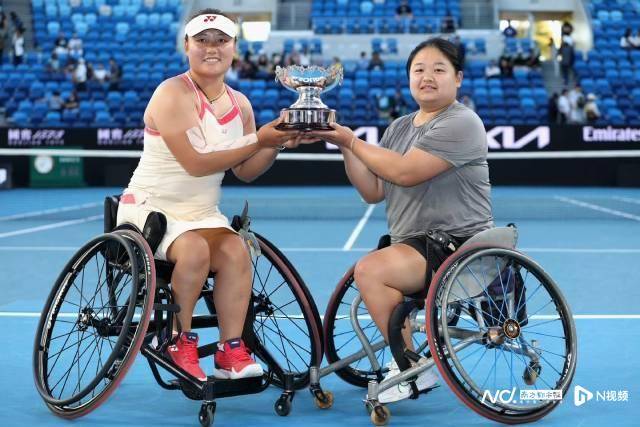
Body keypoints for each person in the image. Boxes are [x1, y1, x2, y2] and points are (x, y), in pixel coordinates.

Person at [116, 9, 301, 382]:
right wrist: (259, 139)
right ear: (186, 46)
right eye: (202, 40)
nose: (211, 48)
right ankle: (178, 341)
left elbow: (245, 170)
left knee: (236, 250)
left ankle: (230, 350)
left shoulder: (240, 104)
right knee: (196, 250)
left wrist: (277, 143)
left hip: (202, 213)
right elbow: (195, 164)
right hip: (151, 210)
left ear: (234, 48)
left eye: (221, 40)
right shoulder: (172, 93)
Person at [305, 37, 493, 403]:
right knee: (375, 268)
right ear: (408, 78)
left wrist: (352, 141)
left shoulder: (463, 122)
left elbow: (405, 173)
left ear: (458, 78)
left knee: (371, 270)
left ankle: (411, 369)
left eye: (438, 69)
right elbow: (373, 191)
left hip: (459, 247)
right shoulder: (398, 128)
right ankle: (407, 359)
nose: (427, 77)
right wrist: (344, 146)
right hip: (415, 245)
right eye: (419, 70)